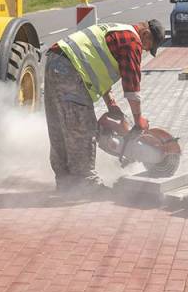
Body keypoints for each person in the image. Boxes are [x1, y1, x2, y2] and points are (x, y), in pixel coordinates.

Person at [43, 20, 167, 193]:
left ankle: (65, 182)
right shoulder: (132, 41)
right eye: (148, 46)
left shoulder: (117, 31)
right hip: (70, 70)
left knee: (60, 127)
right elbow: (131, 84)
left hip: (56, 61)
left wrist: (112, 104)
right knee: (83, 129)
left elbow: (95, 66)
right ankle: (87, 184)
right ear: (145, 34)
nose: (145, 50)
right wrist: (138, 120)